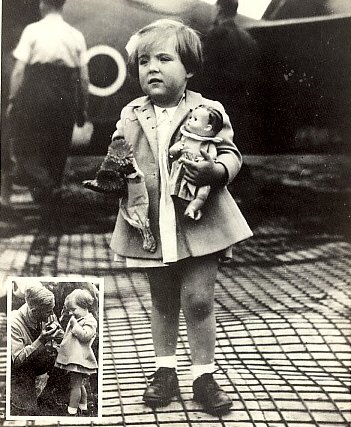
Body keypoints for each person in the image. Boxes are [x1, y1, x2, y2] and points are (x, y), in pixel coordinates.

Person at [109, 19, 253, 415]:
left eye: (164, 58)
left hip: (198, 220)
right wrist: (112, 175)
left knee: (199, 299)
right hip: (152, 221)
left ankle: (203, 375)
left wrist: (216, 172)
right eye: (143, 61)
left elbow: (231, 154)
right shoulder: (131, 112)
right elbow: (119, 155)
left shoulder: (208, 110)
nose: (151, 68)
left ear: (188, 68)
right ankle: (164, 370)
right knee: (162, 299)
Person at [6, 0, 89, 207]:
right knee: (58, 147)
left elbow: (18, 71)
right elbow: (84, 77)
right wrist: (82, 108)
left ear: (42, 5)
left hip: (35, 94)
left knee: (27, 146)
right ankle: (51, 197)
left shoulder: (33, 31)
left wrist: (12, 100)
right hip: (65, 94)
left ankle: (46, 189)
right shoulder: (75, 35)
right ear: (63, 5)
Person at [195, 0, 262, 153]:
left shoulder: (217, 34)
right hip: (241, 99)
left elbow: (205, 68)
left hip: (220, 97)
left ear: (219, 8)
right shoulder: (247, 37)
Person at [11, 282, 63, 415]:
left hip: (42, 361)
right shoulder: (14, 323)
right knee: (29, 410)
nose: (52, 314)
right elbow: (17, 361)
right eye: (48, 311)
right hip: (22, 370)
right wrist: (41, 340)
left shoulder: (46, 313)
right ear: (35, 311)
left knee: (67, 363)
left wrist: (59, 335)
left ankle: (48, 396)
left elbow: (60, 335)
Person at [168, 104, 224, 220]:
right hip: (182, 171)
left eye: (195, 119)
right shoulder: (185, 138)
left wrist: (208, 161)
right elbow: (172, 151)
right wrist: (175, 150)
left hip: (201, 173)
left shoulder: (208, 143)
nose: (189, 121)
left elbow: (212, 156)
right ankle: (178, 207)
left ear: (208, 128)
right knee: (176, 188)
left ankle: (193, 208)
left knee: (202, 194)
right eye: (190, 118)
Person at [55, 288, 98, 416]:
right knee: (78, 384)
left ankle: (71, 411)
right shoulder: (78, 319)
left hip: (79, 359)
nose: (71, 313)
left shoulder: (90, 321)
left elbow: (85, 336)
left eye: (74, 310)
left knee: (75, 386)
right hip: (74, 357)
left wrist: (74, 324)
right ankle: (83, 407)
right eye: (69, 310)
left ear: (84, 306)